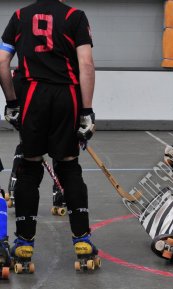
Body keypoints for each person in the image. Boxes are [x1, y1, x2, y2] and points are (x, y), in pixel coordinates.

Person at [0, 0, 97, 271]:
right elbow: (86, 64)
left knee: (29, 167)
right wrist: (87, 110)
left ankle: (23, 243)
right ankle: (82, 240)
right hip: (66, 96)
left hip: (31, 96)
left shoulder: (19, 16)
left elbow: (2, 61)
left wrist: (11, 102)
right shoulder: (75, 16)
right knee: (68, 166)